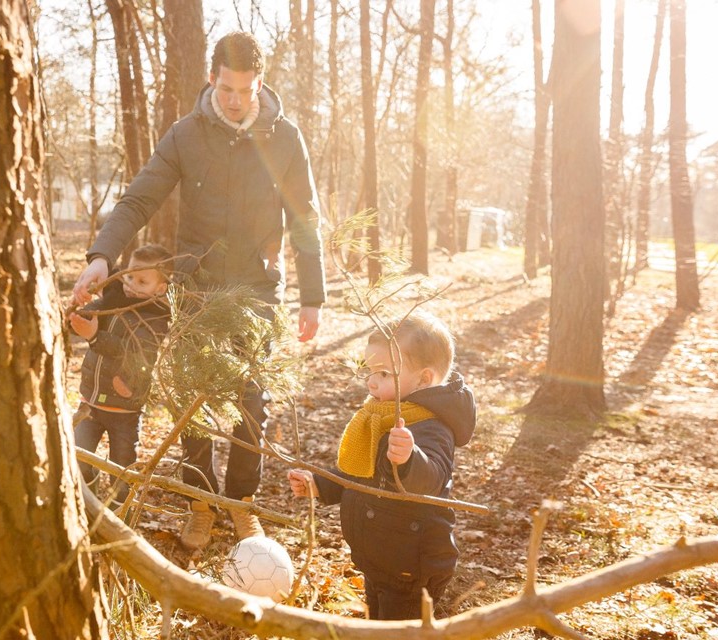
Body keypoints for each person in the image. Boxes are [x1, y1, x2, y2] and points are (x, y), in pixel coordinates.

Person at [72, 32, 326, 550]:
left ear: (260, 83)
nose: (235, 100)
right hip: (194, 287)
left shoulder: (284, 137)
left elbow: (304, 218)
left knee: (251, 402)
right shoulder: (186, 134)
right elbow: (138, 199)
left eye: (246, 90)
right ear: (212, 78)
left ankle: (240, 504)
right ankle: (200, 504)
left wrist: (313, 296)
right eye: (227, 88)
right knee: (194, 400)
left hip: (255, 288)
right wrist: (102, 255)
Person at [287, 312, 476, 620]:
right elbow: (359, 472)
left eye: (385, 374)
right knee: (377, 621)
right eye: (370, 372)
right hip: (380, 558)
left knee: (398, 630)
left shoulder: (433, 427)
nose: (372, 381)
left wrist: (410, 459)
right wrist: (319, 484)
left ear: (424, 379)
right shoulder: (381, 414)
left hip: (412, 567)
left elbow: (431, 478)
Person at [71, 244, 173, 506]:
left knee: (122, 469)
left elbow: (131, 351)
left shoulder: (155, 319)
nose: (131, 284)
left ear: (159, 289)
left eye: (142, 281)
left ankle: (119, 513)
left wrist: (94, 336)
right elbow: (92, 315)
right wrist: (76, 317)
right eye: (128, 276)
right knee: (78, 456)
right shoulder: (113, 297)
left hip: (124, 411)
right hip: (91, 403)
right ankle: (87, 502)